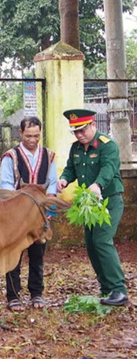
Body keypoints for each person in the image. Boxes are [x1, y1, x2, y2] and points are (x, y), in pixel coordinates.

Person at [58, 109, 129, 306]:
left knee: (102, 240)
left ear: (93, 125)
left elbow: (109, 168)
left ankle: (119, 290)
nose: (79, 135)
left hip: (108, 201)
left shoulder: (108, 145)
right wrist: (64, 179)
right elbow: (71, 168)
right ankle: (107, 289)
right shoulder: (76, 149)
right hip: (88, 205)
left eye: (82, 130)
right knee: (91, 245)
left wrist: (98, 184)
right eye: (75, 131)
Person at [0, 117, 57, 312]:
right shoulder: (10, 156)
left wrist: (49, 209)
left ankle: (37, 293)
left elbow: (53, 183)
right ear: (21, 133)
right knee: (13, 254)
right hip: (17, 216)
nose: (33, 139)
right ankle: (13, 295)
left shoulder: (49, 156)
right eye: (29, 135)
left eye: (37, 135)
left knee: (37, 253)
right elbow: (6, 185)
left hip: (39, 216)